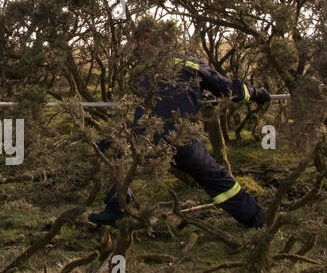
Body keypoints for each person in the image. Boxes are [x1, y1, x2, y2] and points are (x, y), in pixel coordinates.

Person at [89, 53, 271, 228]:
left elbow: (153, 102)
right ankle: (256, 219)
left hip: (146, 138)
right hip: (181, 139)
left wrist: (200, 97)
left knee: (122, 156)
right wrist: (256, 93)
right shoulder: (190, 63)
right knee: (216, 179)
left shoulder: (144, 69)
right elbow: (230, 90)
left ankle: (116, 208)